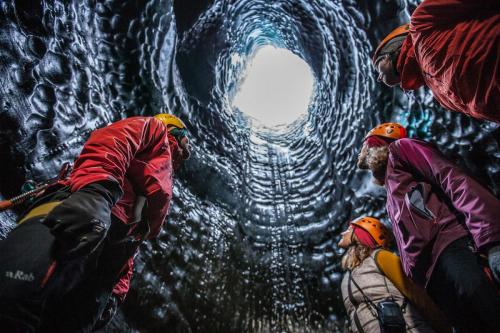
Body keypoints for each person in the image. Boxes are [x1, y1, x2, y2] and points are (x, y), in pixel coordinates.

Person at [0, 114, 191, 332]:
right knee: (12, 303)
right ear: (174, 129)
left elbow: (134, 241)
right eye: (187, 141)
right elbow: (115, 141)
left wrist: (116, 293)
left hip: (108, 254)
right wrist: (97, 193)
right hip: (87, 208)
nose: (189, 151)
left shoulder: (162, 179)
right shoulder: (155, 130)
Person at [357, 122, 500, 332]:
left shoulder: (401, 149)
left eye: (364, 146)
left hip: (450, 247)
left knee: (489, 312)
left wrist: (491, 237)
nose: (360, 151)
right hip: (432, 277)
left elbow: (452, 177)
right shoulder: (390, 193)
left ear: (375, 144)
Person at [372, 0, 500, 123]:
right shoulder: (441, 98)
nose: (378, 78)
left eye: (378, 65)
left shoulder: (421, 24)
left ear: (391, 50)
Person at [339, 216, 450, 333]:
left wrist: (443, 326)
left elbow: (416, 293)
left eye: (349, 229)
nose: (343, 233)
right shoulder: (347, 277)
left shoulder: (381, 256)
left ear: (361, 233)